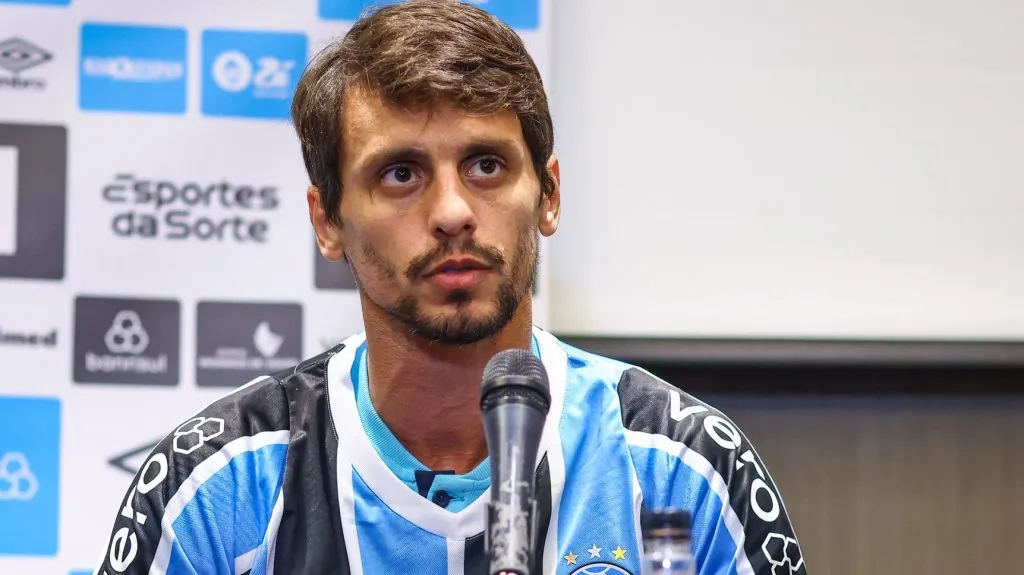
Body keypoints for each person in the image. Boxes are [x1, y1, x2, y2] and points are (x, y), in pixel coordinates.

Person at [94, 1, 806, 574]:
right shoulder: (224, 486)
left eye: (487, 165)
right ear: (329, 219)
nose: (453, 212)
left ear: (549, 193)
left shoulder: (681, 470)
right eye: (400, 173)